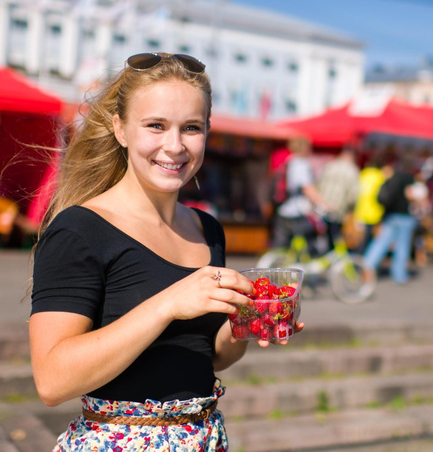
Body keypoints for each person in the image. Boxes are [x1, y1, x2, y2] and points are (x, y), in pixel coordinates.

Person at [29, 52, 304, 452]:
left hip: (203, 439)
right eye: (156, 126)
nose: (174, 146)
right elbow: (52, 382)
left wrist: (246, 322)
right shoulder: (78, 229)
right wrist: (168, 303)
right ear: (120, 128)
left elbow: (207, 357)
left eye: (191, 128)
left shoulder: (206, 229)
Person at [270, 135, 331, 255]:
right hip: (296, 211)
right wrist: (324, 204)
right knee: (311, 243)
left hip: (284, 208)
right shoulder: (300, 164)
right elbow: (307, 188)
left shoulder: (289, 161)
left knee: (283, 248)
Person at [363, 157, 417, 283]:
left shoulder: (392, 177)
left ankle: (366, 268)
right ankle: (399, 275)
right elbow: (410, 194)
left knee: (380, 243)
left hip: (389, 215)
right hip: (404, 215)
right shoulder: (408, 177)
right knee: (402, 246)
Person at [316, 145, 359, 251]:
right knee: (336, 238)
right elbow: (353, 195)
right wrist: (350, 211)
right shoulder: (352, 170)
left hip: (322, 206)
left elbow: (318, 184)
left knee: (323, 236)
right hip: (338, 209)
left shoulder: (330, 165)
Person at [353, 155, 389, 253]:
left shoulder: (363, 174)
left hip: (360, 211)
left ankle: (356, 259)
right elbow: (384, 196)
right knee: (369, 241)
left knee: (359, 239)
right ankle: (362, 261)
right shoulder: (380, 177)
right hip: (375, 212)